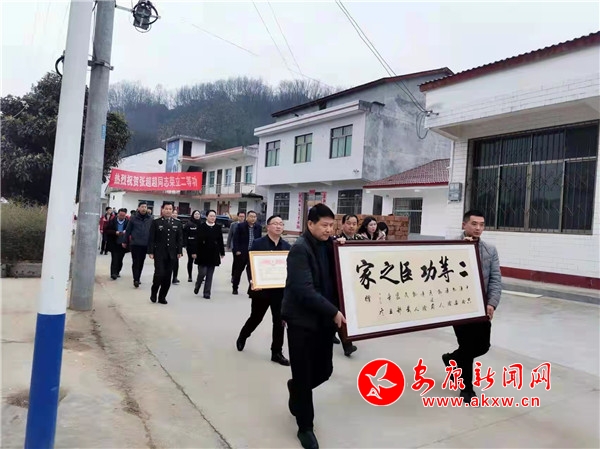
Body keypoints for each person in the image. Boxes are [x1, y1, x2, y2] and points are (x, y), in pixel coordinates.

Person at [282, 203, 347, 449]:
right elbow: (304, 290)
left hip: (323, 321)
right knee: (303, 373)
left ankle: (296, 389)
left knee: (324, 371)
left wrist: (343, 247)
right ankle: (305, 428)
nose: (329, 230)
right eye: (324, 225)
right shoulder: (300, 249)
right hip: (301, 321)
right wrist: (334, 311)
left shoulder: (329, 244)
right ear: (310, 224)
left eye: (332, 225)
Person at [442, 209, 501, 402]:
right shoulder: (450, 246)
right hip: (458, 306)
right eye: (474, 224)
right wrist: (461, 248)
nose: (478, 228)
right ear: (464, 225)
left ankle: (452, 359)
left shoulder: (490, 250)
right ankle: (467, 389)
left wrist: (492, 303)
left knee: (483, 346)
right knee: (467, 345)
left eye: (481, 225)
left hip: (480, 307)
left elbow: (495, 279)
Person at [236, 214, 291, 366]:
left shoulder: (287, 247)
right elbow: (251, 265)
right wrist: (253, 280)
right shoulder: (258, 243)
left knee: (279, 321)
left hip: (279, 290)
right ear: (268, 226)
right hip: (262, 289)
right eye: (275, 223)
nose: (278, 226)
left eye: (281, 224)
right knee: (256, 317)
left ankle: (276, 352)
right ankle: (243, 335)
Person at [330, 214, 363, 356]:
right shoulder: (336, 240)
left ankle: (332, 333)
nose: (351, 226)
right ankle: (347, 345)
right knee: (341, 311)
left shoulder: (361, 240)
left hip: (355, 281)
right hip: (338, 283)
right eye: (348, 223)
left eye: (354, 224)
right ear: (342, 224)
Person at [147, 202, 183, 304]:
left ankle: (162, 297)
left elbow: (179, 239)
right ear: (162, 210)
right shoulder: (156, 222)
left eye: (170, 209)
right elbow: (151, 238)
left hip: (172, 254)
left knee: (167, 276)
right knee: (159, 274)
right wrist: (151, 251)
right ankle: (154, 292)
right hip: (159, 252)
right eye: (166, 209)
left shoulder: (177, 223)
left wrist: (179, 251)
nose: (168, 211)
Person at [192, 210, 225, 299]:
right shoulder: (201, 226)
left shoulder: (217, 227)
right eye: (211, 216)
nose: (212, 218)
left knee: (210, 275)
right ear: (206, 217)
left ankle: (207, 292)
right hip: (202, 253)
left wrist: (222, 252)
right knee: (202, 273)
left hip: (213, 253)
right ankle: (198, 284)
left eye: (214, 216)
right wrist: (194, 252)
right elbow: (196, 240)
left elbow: (220, 240)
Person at [231, 210, 262, 295]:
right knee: (238, 271)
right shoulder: (240, 226)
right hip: (242, 253)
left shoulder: (258, 227)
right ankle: (235, 287)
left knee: (252, 273)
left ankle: (251, 289)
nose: (253, 218)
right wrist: (237, 250)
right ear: (247, 217)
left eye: (254, 217)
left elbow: (259, 239)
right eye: (251, 216)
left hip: (253, 253)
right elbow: (236, 239)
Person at [125, 201, 153, 288]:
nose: (144, 208)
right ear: (138, 208)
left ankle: (138, 277)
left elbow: (153, 232)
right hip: (135, 243)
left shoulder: (150, 218)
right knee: (135, 261)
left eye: (145, 207)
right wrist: (125, 241)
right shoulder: (133, 218)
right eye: (142, 207)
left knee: (141, 261)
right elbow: (128, 230)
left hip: (145, 244)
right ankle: (136, 279)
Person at [104, 208, 130, 280]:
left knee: (120, 259)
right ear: (118, 214)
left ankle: (118, 271)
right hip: (114, 242)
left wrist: (125, 232)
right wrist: (115, 232)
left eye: (123, 215)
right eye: (120, 215)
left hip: (123, 243)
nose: (122, 217)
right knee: (114, 258)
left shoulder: (128, 222)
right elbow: (107, 230)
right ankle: (113, 273)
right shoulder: (112, 221)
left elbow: (131, 231)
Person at [183, 210, 202, 282]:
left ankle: (201, 276)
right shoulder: (188, 224)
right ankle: (190, 276)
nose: (197, 215)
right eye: (195, 214)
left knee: (200, 262)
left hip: (200, 246)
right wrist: (185, 244)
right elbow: (185, 235)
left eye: (198, 214)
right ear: (193, 215)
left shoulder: (202, 224)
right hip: (190, 245)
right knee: (190, 260)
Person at [171, 208, 182, 284]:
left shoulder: (178, 223)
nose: (174, 214)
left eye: (176, 213)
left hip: (175, 247)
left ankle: (175, 277)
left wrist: (180, 250)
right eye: (173, 213)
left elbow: (180, 237)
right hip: (167, 246)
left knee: (176, 263)